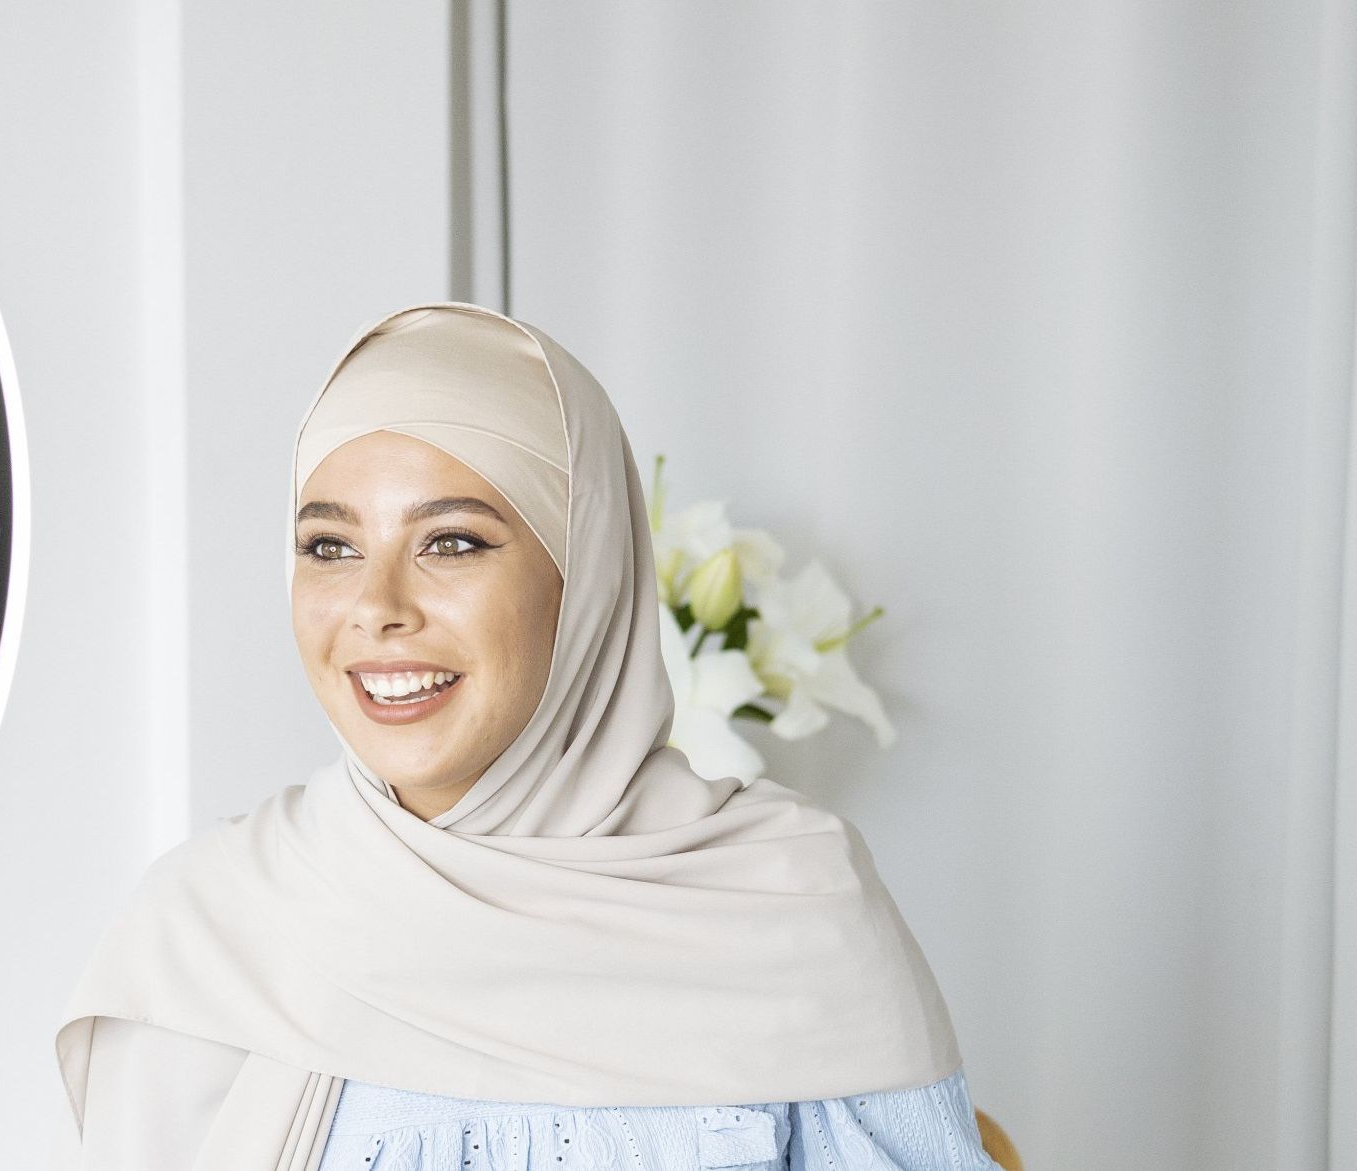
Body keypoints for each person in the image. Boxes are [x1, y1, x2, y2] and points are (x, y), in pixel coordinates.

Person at [53, 302, 1006, 1170]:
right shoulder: (207, 932)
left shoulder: (793, 904)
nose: (377, 607)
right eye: (330, 546)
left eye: (453, 541)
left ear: (585, 572)